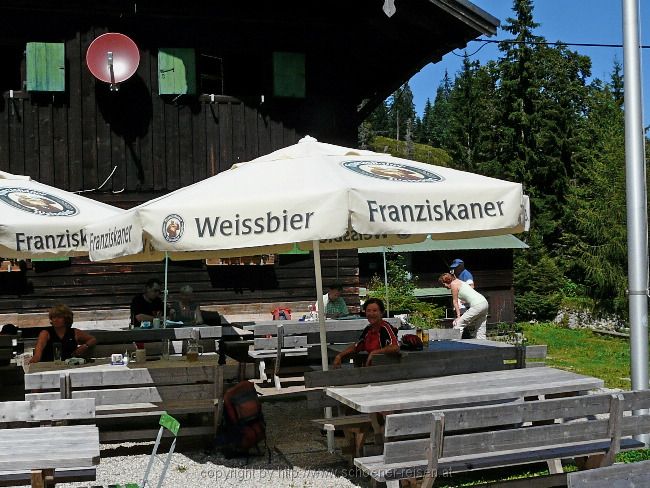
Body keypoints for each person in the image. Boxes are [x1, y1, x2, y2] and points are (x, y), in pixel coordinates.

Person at [332, 298, 399, 368]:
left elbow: (395, 347)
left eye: (375, 311)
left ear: (381, 313)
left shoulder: (385, 327)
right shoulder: (368, 329)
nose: (371, 314)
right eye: (368, 311)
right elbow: (357, 346)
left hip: (386, 367)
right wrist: (339, 356)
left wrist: (375, 353)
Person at [30, 304, 96, 363]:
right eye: (54, 317)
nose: (56, 320)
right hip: (50, 365)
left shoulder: (74, 332)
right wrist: (36, 356)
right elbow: (40, 346)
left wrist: (85, 346)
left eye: (59, 317)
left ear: (66, 319)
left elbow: (92, 339)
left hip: (69, 365)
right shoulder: (46, 333)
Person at [439, 272, 488, 340]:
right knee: (480, 328)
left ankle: (454, 346)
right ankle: (484, 348)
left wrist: (458, 317)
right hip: (484, 302)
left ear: (447, 281)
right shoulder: (459, 281)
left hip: (477, 305)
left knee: (458, 325)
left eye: (443, 284)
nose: (444, 286)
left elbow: (455, 301)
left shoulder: (453, 284)